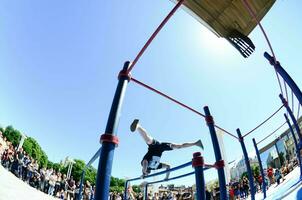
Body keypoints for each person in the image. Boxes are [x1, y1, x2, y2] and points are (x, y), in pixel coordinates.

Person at [130, 119, 203, 179]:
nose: (147, 174)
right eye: (147, 174)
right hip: (162, 147)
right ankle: (196, 143)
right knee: (178, 146)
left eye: (146, 174)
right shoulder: (156, 167)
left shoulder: (144, 164)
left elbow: (145, 163)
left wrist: (143, 172)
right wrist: (167, 177)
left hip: (154, 146)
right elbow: (168, 166)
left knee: (148, 139)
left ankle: (138, 126)